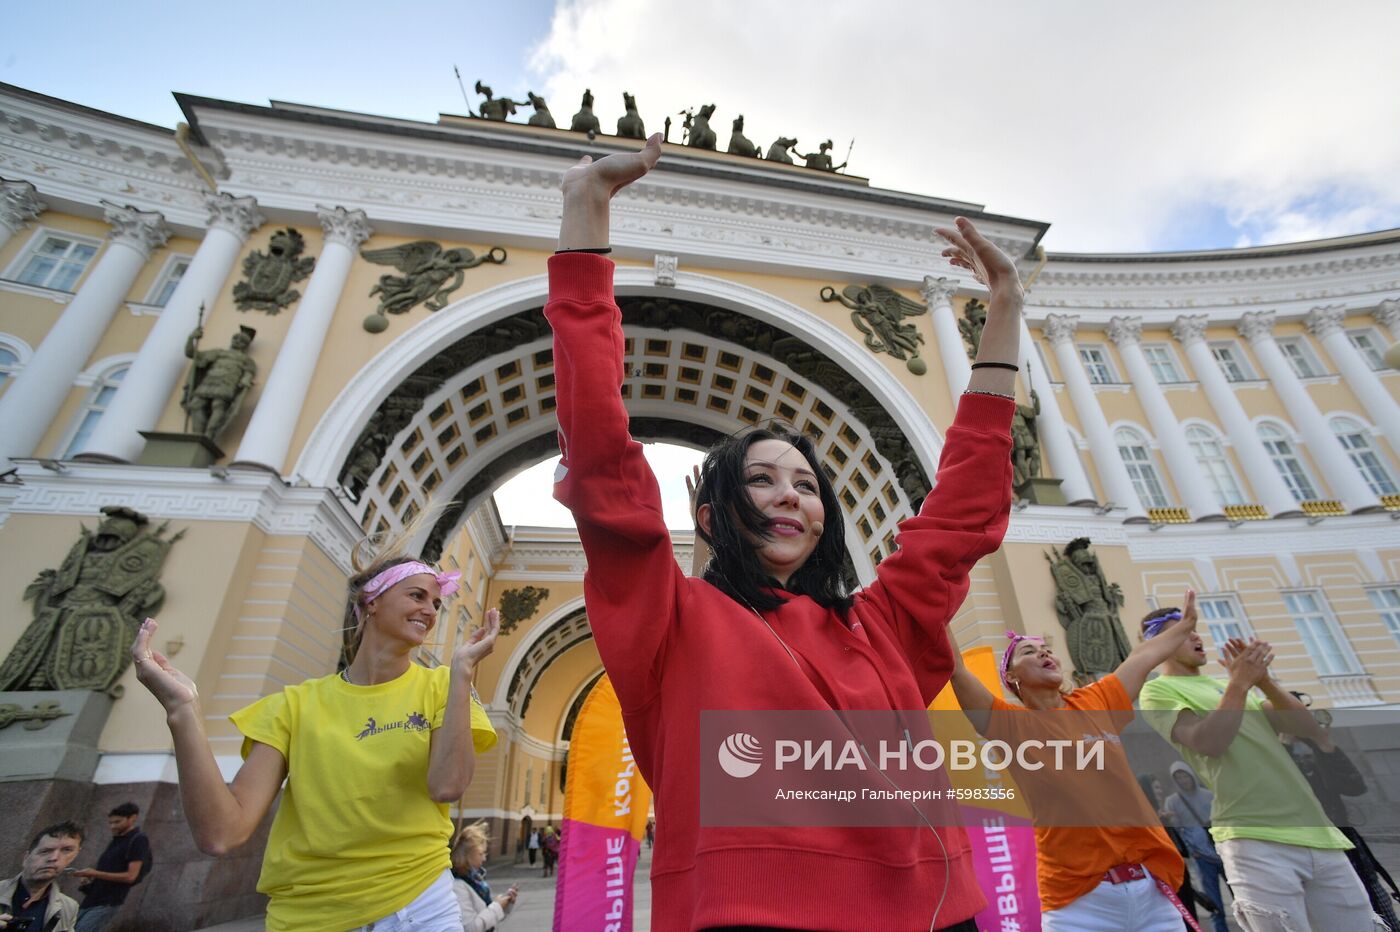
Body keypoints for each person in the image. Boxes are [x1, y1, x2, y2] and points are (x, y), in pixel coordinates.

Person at [547, 133, 1022, 930]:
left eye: (806, 485)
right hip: (753, 915)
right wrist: (584, 212)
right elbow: (599, 451)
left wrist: (1005, 310)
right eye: (761, 479)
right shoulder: (669, 621)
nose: (789, 497)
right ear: (711, 516)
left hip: (943, 914)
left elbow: (968, 502)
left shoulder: (884, 624)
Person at [130, 528, 501, 932]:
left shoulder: (443, 688)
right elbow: (221, 833)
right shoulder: (294, 706)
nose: (430, 611)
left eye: (436, 602)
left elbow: (447, 786)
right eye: (417, 596)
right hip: (310, 916)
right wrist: (182, 711)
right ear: (371, 601)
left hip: (421, 907)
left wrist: (462, 673)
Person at [947, 593, 1201, 930]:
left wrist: (1185, 627)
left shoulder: (1097, 701)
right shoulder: (1010, 725)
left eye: (1046, 649)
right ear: (1011, 679)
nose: (1043, 652)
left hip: (1151, 895)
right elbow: (957, 671)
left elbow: (1143, 655)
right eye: (1028, 651)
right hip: (1079, 906)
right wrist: (938, 603)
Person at [1138, 611, 1374, 931]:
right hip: (1253, 839)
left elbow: (1310, 730)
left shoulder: (1231, 685)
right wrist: (1239, 683)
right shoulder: (1158, 692)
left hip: (1317, 831)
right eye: (1182, 632)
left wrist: (1264, 682)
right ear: (1159, 645)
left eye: (1195, 631)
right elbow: (1209, 741)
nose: (1196, 637)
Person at [1284, 736, 1400, 931]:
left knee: (1377, 904)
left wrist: (1323, 744)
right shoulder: (1271, 755)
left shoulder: (1312, 757)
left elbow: (1355, 786)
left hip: (1347, 844)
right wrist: (1284, 743)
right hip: (1306, 849)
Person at [1161, 763, 1230, 932]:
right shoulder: (1173, 802)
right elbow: (1177, 831)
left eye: (1185, 776)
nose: (1184, 781)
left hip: (1222, 852)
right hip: (1201, 857)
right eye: (1179, 778)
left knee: (1240, 895)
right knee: (1214, 902)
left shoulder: (1208, 795)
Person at [72, 802, 151, 932]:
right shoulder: (117, 840)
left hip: (108, 901)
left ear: (132, 818)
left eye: (117, 822)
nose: (113, 826)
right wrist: (90, 877)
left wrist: (95, 873)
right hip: (92, 898)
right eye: (111, 823)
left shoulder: (138, 840)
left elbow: (131, 876)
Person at [1, 822, 83, 932]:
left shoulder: (68, 908)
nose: (54, 858)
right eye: (45, 851)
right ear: (26, 857)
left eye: (66, 850)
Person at [451, 822, 517, 931]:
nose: (484, 859)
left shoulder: (475, 880)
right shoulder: (458, 886)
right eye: (481, 854)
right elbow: (470, 928)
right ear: (467, 855)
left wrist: (506, 905)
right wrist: (497, 906)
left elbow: (487, 917)